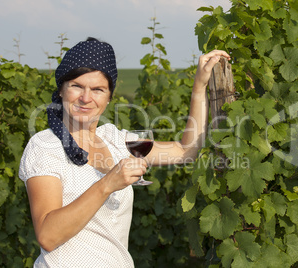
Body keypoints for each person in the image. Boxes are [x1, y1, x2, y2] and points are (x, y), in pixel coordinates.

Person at [19, 37, 230, 267]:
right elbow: (48, 236)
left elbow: (185, 151)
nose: (86, 98)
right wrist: (109, 182)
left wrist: (199, 86)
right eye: (77, 86)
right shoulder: (45, 146)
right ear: (61, 89)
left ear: (109, 98)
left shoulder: (116, 140)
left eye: (98, 89)